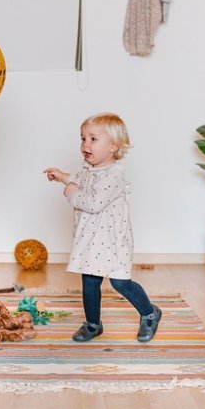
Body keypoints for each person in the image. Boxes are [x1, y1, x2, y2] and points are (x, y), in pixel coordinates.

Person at [44, 113, 161, 343]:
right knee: (90, 282)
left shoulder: (112, 176)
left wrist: (71, 193)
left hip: (112, 241)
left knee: (120, 282)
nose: (85, 144)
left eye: (93, 139)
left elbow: (93, 203)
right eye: (83, 138)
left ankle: (149, 313)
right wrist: (63, 177)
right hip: (92, 240)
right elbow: (80, 179)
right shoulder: (90, 169)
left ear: (113, 146)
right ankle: (93, 324)